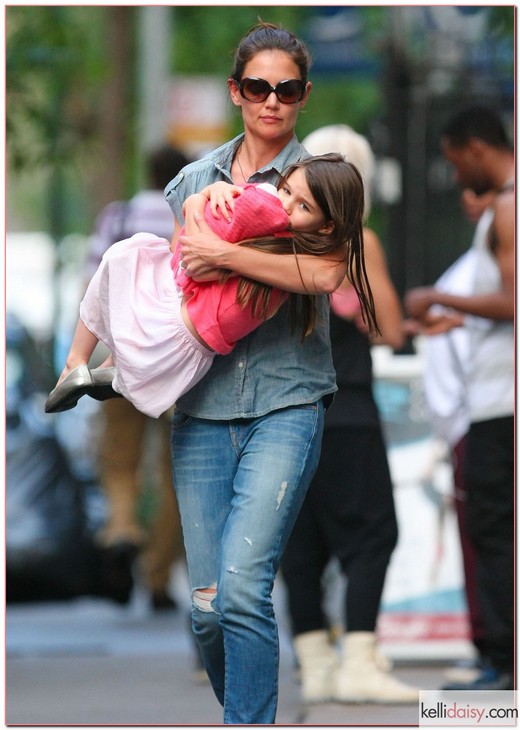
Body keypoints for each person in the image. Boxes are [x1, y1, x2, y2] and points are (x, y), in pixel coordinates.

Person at [164, 23, 377, 724]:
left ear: (304, 96)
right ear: (236, 92)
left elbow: (324, 272)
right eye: (257, 87)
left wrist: (224, 255)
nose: (271, 101)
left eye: (286, 89)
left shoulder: (322, 181)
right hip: (200, 408)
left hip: (289, 403)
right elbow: (177, 276)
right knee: (208, 613)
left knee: (246, 589)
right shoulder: (193, 182)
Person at [44, 154, 369, 420]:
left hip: (173, 335)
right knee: (129, 256)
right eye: (285, 191)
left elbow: (196, 259)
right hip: (188, 349)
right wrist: (208, 195)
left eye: (303, 207)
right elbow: (200, 239)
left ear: (327, 226)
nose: (284, 206)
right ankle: (106, 367)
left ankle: (80, 361)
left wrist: (216, 209)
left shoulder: (288, 249)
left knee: (123, 256)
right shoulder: (286, 244)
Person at [279, 124, 418, 705]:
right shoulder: (355, 240)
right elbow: (387, 327)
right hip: (348, 406)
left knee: (300, 543)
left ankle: (314, 663)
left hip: (285, 407)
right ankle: (359, 656)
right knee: (374, 533)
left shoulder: (275, 241)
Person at [405, 105, 514, 691]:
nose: (453, 176)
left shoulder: (506, 206)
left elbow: (513, 301)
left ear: (476, 148)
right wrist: (455, 317)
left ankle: (501, 663)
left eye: (453, 161)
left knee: (494, 533)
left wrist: (433, 299)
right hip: (495, 396)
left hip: (502, 405)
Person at [80, 145, 190, 609]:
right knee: (173, 470)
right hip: (173, 361)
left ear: (147, 172)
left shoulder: (117, 217)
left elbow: (91, 284)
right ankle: (159, 576)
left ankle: (123, 527)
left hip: (118, 358)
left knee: (119, 458)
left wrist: (84, 353)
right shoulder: (192, 214)